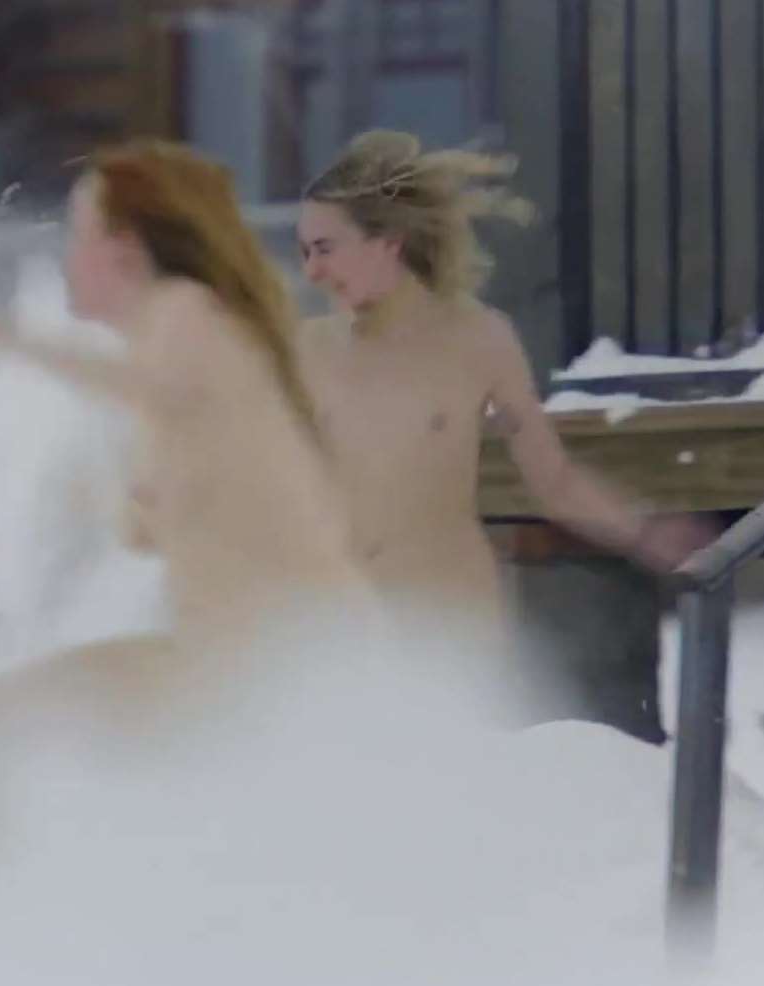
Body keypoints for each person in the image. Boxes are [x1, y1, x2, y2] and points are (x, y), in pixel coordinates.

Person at [0, 139, 373, 682]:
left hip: (301, 654)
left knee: (24, 706)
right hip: (249, 657)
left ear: (126, 250)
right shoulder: (168, 375)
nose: (67, 257)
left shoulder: (185, 310)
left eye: (81, 234)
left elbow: (149, 386)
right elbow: (148, 529)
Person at [295, 130, 710, 655]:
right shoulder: (307, 349)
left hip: (453, 625)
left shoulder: (480, 339)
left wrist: (644, 532)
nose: (312, 271)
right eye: (305, 252)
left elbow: (553, 481)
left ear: (388, 242)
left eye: (325, 249)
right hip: (343, 627)